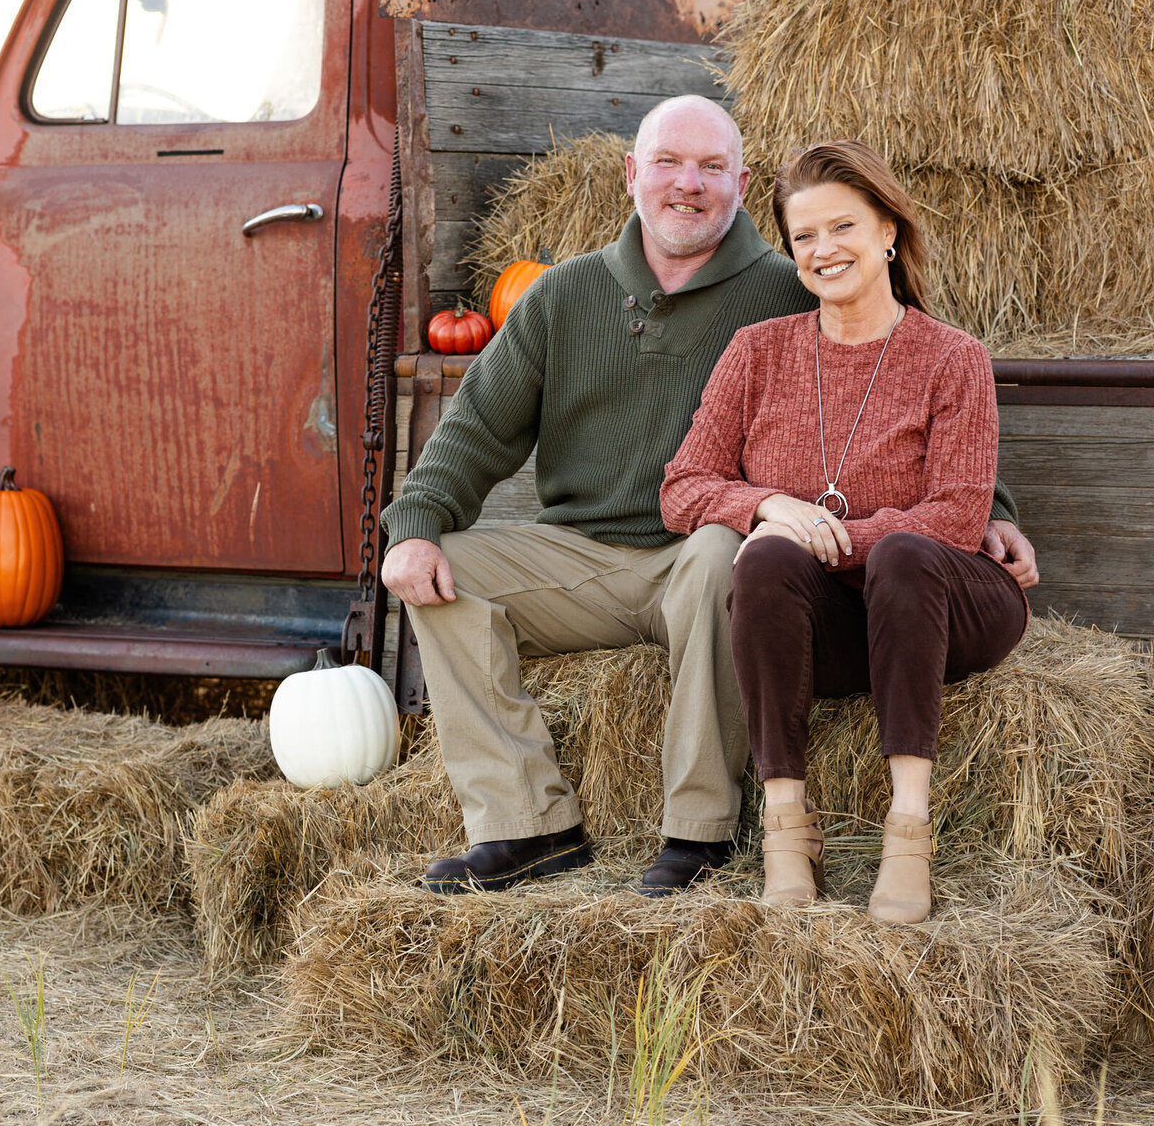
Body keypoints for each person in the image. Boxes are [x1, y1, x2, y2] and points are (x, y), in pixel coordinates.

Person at [382, 99, 1037, 897]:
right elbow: (474, 431)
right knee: (440, 572)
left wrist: (991, 514)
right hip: (588, 555)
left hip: (707, 554)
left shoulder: (789, 286)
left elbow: (901, 372)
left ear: (740, 184)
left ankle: (699, 833)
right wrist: (414, 526)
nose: (686, 185)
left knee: (731, 552)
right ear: (631, 174)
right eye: (667, 163)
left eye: (712, 168)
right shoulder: (560, 297)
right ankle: (526, 826)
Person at [660, 140, 1030, 924]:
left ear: (888, 229)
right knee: (758, 563)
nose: (824, 250)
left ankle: (909, 826)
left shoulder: (952, 357)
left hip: (937, 603)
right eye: (804, 237)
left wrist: (838, 535)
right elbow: (683, 486)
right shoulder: (758, 353)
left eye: (843, 227)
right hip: (829, 626)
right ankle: (787, 831)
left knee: (900, 551)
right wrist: (768, 510)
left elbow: (960, 514)